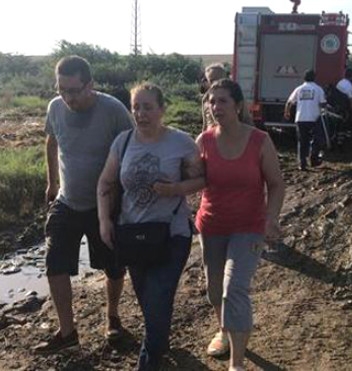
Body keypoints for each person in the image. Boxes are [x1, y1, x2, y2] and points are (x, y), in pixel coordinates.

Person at [97, 83, 205, 370]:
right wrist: (104, 221)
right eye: (136, 107)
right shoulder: (123, 141)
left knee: (158, 295)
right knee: (149, 299)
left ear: (162, 109)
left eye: (147, 107)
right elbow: (105, 183)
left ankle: (149, 362)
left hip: (172, 233)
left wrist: (177, 188)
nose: (141, 114)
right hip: (133, 235)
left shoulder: (181, 142)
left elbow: (202, 179)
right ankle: (160, 340)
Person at [33, 55, 134, 354]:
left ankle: (112, 317)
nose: (67, 97)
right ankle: (67, 332)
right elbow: (51, 141)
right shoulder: (55, 107)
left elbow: (130, 150)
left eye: (74, 90)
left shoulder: (113, 110)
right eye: (62, 89)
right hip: (67, 200)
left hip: (104, 204)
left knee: (113, 267)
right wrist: (52, 182)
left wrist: (122, 197)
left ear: (90, 85)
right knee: (55, 265)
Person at [196, 78, 285, 371]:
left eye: (222, 100)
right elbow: (191, 179)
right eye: (211, 101)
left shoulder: (259, 140)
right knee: (214, 289)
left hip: (249, 226)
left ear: (237, 105)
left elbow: (276, 184)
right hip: (211, 224)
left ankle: (236, 364)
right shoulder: (204, 140)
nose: (215, 106)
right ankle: (223, 330)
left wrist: (270, 219)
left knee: (234, 288)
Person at [284, 69, 327, 170]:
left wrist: (287, 112)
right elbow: (323, 103)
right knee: (316, 139)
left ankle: (302, 164)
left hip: (301, 118)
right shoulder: (318, 89)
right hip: (314, 118)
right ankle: (314, 159)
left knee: (302, 141)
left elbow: (289, 102)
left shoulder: (299, 89)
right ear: (314, 77)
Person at [201, 63, 229, 133]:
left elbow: (246, 120)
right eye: (212, 81)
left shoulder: (233, 97)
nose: (216, 83)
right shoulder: (205, 99)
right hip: (212, 138)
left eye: (218, 80)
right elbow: (205, 124)